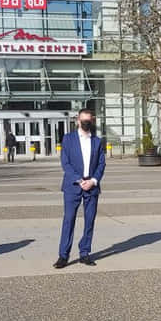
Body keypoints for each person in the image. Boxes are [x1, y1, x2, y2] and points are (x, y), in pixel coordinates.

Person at [55, 108, 105, 268]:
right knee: (68, 220)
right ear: (77, 121)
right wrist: (78, 179)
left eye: (88, 121)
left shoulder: (97, 141)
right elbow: (65, 163)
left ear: (92, 121)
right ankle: (63, 256)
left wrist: (94, 180)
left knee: (89, 221)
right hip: (72, 186)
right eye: (83, 120)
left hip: (92, 186)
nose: (85, 123)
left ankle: (85, 253)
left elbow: (101, 164)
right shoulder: (68, 139)